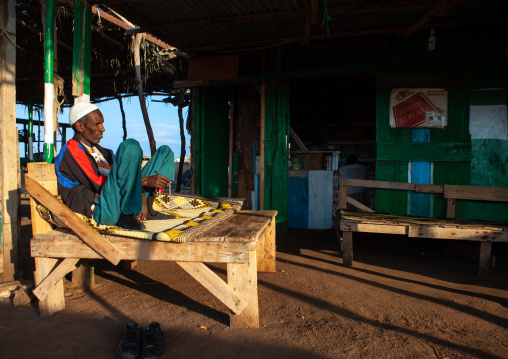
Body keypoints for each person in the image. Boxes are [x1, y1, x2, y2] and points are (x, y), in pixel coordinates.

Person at [55, 102, 174, 230]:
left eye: (102, 123)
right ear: (79, 126)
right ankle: (126, 214)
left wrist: (140, 189)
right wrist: (143, 182)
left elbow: (126, 171)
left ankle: (145, 209)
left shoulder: (102, 151)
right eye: (97, 124)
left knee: (165, 153)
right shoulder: (72, 150)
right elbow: (98, 184)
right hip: (101, 208)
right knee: (130, 146)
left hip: (117, 198)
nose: (102, 128)